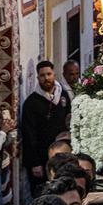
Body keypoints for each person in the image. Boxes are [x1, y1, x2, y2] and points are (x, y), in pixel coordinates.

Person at [21, 61, 72, 196]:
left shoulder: (63, 95)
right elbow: (29, 135)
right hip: (41, 157)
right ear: (38, 78)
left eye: (49, 74)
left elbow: (69, 120)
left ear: (54, 74)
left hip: (62, 155)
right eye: (42, 75)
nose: (46, 78)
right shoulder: (31, 103)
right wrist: (35, 163)